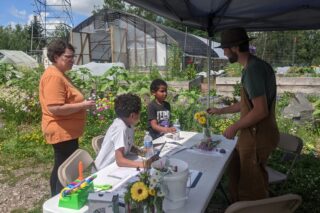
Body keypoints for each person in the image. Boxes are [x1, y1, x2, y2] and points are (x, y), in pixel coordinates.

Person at [207, 28, 279, 202]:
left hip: (257, 136)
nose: (223, 52)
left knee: (251, 187)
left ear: (235, 47)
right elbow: (247, 104)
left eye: (225, 48)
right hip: (253, 135)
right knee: (236, 171)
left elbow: (261, 110)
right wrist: (220, 111)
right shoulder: (254, 66)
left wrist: (235, 126)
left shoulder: (253, 70)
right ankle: (237, 204)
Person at [39, 39, 96, 196]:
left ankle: (55, 198)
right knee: (64, 170)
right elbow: (55, 108)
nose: (73, 60)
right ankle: (60, 201)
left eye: (73, 56)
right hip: (61, 131)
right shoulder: (54, 77)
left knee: (60, 167)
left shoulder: (59, 74)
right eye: (68, 57)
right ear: (56, 57)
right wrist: (82, 105)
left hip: (66, 131)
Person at [95, 93, 158, 170]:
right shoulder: (120, 128)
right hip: (104, 170)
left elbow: (128, 145)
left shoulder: (129, 124)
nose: (140, 115)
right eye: (139, 112)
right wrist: (144, 164)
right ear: (132, 115)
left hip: (115, 166)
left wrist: (141, 152)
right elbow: (120, 161)